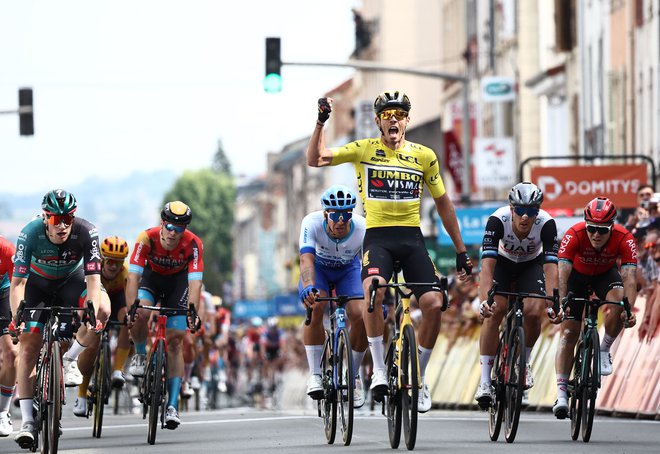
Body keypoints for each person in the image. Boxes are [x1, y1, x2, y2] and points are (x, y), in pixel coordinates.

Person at [306, 91, 473, 413]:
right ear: (378, 121)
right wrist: (320, 122)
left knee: (434, 304)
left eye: (399, 114)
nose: (393, 119)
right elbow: (316, 159)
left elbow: (443, 204)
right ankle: (379, 371)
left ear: (407, 120)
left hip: (412, 239)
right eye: (387, 115)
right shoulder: (364, 149)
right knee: (374, 291)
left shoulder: (424, 156)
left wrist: (461, 250)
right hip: (378, 238)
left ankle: (419, 380)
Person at [9, 189, 108, 447]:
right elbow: (18, 283)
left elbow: (94, 280)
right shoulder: (29, 233)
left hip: (71, 282)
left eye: (68, 218)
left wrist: (91, 310)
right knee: (29, 343)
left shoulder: (87, 232)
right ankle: (28, 421)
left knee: (103, 310)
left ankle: (69, 358)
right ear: (45, 218)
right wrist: (17, 317)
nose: (62, 225)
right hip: (37, 284)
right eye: (55, 219)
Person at [474, 182, 560, 408]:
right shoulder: (497, 220)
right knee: (495, 312)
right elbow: (487, 267)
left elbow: (551, 267)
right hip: (502, 264)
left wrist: (553, 302)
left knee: (534, 311)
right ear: (511, 209)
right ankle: (484, 381)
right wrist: (485, 301)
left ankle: (523, 362)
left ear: (537, 212)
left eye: (531, 212)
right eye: (520, 211)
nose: (524, 217)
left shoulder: (547, 224)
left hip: (530, 266)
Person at [552, 197, 637, 419]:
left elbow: (629, 278)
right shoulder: (574, 234)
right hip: (576, 278)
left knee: (619, 302)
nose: (596, 235)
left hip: (604, 276)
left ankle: (603, 348)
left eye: (602, 230)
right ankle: (561, 393)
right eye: (591, 229)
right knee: (569, 332)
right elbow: (562, 273)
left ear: (612, 227)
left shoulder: (625, 238)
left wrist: (628, 310)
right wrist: (562, 303)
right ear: (585, 225)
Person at [126, 201, 204, 429]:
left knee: (176, 339)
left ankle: (172, 406)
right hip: (150, 279)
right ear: (162, 224)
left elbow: (195, 283)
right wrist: (131, 309)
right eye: (169, 227)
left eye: (179, 229)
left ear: (185, 230)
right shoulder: (145, 238)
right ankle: (140, 353)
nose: (173, 233)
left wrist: (192, 312)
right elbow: (132, 278)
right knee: (139, 312)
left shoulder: (194, 244)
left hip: (178, 285)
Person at [298, 184, 368, 408]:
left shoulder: (362, 227)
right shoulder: (311, 222)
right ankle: (315, 375)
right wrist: (309, 286)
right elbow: (306, 260)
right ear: (326, 213)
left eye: (346, 215)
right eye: (336, 215)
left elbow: (369, 265)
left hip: (348, 270)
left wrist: (375, 297)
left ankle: (354, 376)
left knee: (362, 314)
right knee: (316, 306)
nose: (341, 221)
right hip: (319, 269)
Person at [73, 236, 132, 416]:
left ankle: (117, 370)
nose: (114, 266)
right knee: (91, 345)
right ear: (102, 259)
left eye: (119, 262)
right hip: (96, 301)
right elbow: (81, 297)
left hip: (117, 300)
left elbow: (129, 300)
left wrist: (130, 316)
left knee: (127, 320)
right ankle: (82, 395)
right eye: (111, 261)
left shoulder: (126, 274)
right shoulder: (92, 269)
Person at [0, 236, 17, 437]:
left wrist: (17, 320)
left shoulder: (6, 248)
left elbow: (18, 286)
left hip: (4, 294)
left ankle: (2, 412)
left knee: (11, 354)